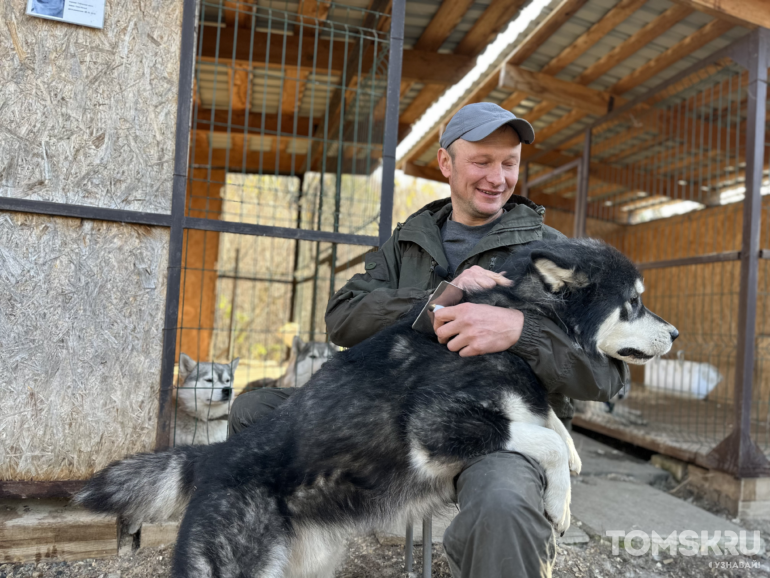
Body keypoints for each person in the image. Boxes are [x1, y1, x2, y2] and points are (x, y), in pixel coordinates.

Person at [229, 102, 628, 578]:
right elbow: (342, 316)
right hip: (393, 416)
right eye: (481, 161)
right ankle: (267, 557)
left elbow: (609, 377)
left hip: (497, 431)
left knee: (504, 504)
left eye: (510, 163)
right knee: (253, 414)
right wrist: (441, 299)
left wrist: (523, 332)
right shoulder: (410, 241)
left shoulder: (556, 252)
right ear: (446, 163)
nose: (497, 178)